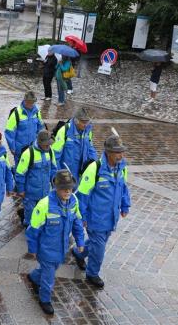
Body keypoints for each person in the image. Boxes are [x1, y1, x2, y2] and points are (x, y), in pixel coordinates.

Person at [71, 133, 131, 289]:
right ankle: (92, 274)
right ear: (108, 152)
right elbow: (82, 195)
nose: (120, 155)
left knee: (99, 243)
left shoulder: (122, 168)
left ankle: (78, 253)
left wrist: (125, 205)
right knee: (99, 248)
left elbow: (124, 188)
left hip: (111, 217)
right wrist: (82, 217)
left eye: (121, 152)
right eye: (117, 152)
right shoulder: (94, 169)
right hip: (95, 217)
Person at [25, 169, 85, 315]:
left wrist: (80, 242)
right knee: (49, 277)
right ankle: (44, 299)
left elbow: (77, 222)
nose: (67, 191)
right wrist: (32, 249)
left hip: (61, 248)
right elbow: (33, 230)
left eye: (70, 187)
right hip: (46, 249)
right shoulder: (44, 204)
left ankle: (33, 277)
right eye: (63, 188)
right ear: (56, 187)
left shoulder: (74, 201)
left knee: (51, 268)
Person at [15, 130, 58, 226]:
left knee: (44, 215)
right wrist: (21, 190)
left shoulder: (50, 152)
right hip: (31, 194)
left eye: (49, 144)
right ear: (40, 143)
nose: (48, 147)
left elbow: (54, 169)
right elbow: (20, 174)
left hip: (45, 193)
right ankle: (29, 231)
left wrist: (55, 184)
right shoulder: (28, 154)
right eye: (46, 145)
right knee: (30, 217)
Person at [52, 107, 97, 182]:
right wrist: (58, 174)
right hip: (66, 175)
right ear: (76, 121)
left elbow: (91, 149)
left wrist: (94, 166)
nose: (85, 125)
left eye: (87, 122)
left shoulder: (88, 131)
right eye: (83, 122)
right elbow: (55, 155)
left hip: (81, 175)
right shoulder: (64, 130)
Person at [5, 91, 45, 166]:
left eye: (32, 102)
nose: (30, 104)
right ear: (24, 101)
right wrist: (12, 148)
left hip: (34, 147)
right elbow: (9, 132)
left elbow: (41, 127)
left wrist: (41, 142)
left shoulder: (36, 112)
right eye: (29, 102)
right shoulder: (16, 113)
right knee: (20, 170)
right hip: (20, 149)